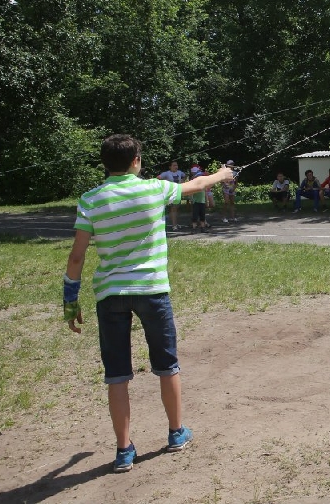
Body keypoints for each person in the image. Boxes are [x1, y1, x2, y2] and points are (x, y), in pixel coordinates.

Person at [62, 134, 233, 472]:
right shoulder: (155, 189)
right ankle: (176, 433)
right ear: (136, 161)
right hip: (152, 291)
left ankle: (123, 451)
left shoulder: (91, 200)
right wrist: (222, 175)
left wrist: (70, 300)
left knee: (117, 374)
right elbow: (197, 185)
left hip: (110, 295)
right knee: (167, 364)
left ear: (105, 163)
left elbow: (77, 256)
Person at [157, 161, 187, 230]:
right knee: (173, 209)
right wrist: (164, 184)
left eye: (176, 165)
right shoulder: (167, 173)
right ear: (170, 167)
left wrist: (183, 180)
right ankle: (174, 226)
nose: (176, 167)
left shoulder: (180, 172)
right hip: (171, 193)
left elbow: (185, 176)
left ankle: (175, 223)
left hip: (178, 192)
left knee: (176, 208)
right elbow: (158, 178)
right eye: (174, 165)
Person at [189, 166, 209, 231]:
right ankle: (194, 228)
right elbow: (191, 192)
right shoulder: (193, 184)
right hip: (196, 202)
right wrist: (191, 199)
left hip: (202, 202)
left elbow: (205, 193)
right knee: (195, 215)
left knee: (202, 215)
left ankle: (202, 228)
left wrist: (207, 201)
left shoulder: (203, 184)